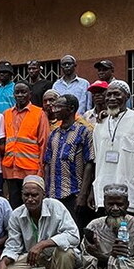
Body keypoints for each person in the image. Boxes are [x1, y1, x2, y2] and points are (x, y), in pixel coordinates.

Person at [0, 176, 81, 269]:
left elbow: (73, 236)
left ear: (43, 195)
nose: (30, 199)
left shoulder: (55, 206)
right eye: (26, 195)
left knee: (66, 253)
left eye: (35, 195)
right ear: (21, 195)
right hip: (37, 261)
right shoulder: (17, 215)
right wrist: (3, 261)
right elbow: (13, 245)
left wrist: (43, 244)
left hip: (57, 260)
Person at [86, 80, 134, 220]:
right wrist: (92, 190)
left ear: (127, 96)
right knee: (105, 236)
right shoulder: (100, 124)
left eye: (116, 94)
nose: (112, 98)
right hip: (103, 192)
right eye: (108, 95)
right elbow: (97, 161)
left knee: (130, 235)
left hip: (131, 193)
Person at [43, 94, 94, 226]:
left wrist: (83, 195)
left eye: (59, 106)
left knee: (75, 232)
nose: (54, 110)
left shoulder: (84, 132)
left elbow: (89, 163)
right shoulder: (53, 134)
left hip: (73, 194)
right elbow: (47, 164)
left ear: (71, 109)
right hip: (54, 195)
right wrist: (47, 191)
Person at [0, 82, 48, 209]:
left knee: (32, 206)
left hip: (30, 170)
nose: (20, 95)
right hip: (10, 170)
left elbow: (44, 143)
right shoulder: (6, 114)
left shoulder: (39, 113)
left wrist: (41, 170)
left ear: (30, 94)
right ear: (13, 94)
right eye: (17, 92)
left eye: (23, 92)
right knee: (14, 207)